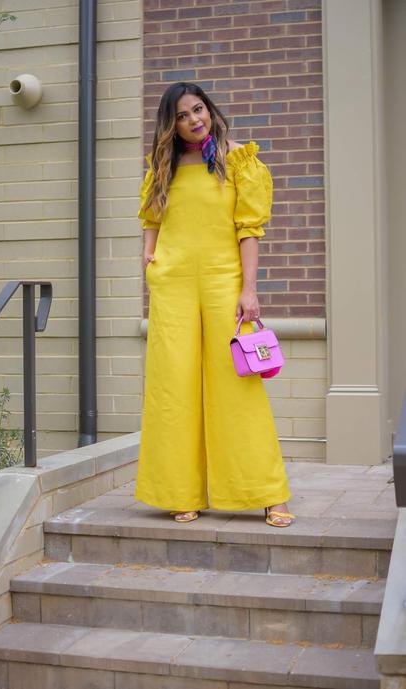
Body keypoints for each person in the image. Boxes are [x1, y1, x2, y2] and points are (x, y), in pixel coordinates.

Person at [135, 82, 294, 528]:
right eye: (183, 116)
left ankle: (268, 493)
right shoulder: (163, 166)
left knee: (236, 386)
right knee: (174, 387)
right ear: (172, 124)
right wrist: (150, 257)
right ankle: (180, 491)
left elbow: (249, 229)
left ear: (209, 109)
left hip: (225, 282)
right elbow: (152, 216)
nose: (193, 120)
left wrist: (250, 289)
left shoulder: (237, 158)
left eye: (198, 109)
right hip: (174, 283)